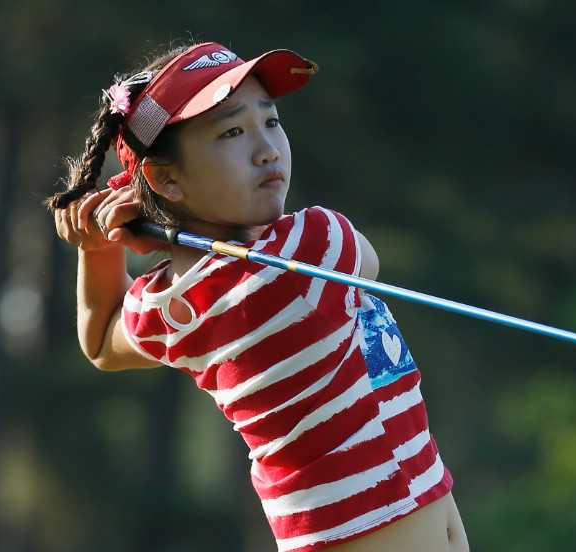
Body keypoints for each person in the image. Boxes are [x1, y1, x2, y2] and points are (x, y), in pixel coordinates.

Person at [47, 41, 469, 552]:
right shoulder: (309, 247)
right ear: (165, 178)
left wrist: (98, 249)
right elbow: (368, 261)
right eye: (231, 131)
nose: (267, 148)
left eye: (271, 122)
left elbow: (100, 342)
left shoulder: (171, 304)